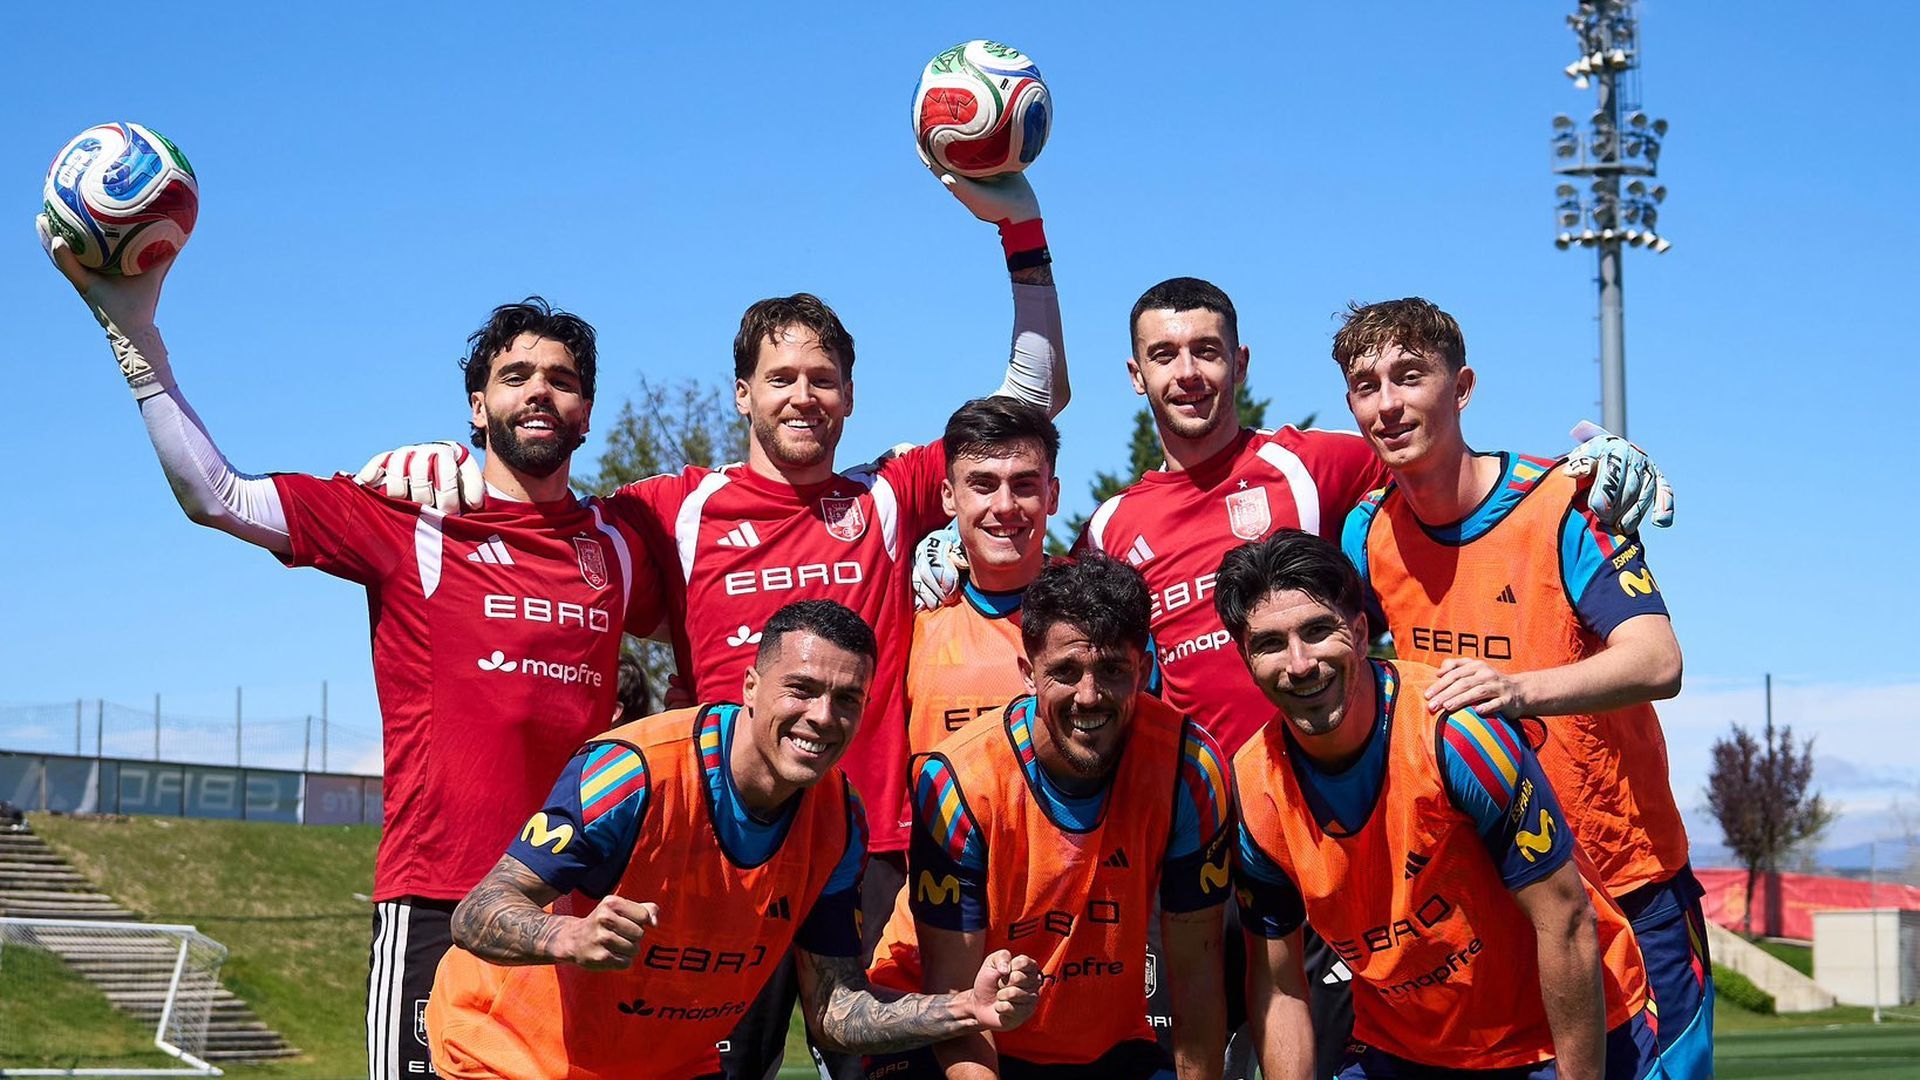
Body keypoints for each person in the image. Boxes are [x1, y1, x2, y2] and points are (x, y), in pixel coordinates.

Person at [359, 167, 1068, 1076]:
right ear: (742, 393)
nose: (803, 396)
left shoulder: (888, 496)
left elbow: (1027, 406)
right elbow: (543, 512)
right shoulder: (671, 512)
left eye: (823, 379)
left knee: (873, 1045)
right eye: (781, 378)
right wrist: (456, 463)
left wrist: (1021, 232)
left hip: (862, 846)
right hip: (716, 859)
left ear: (851, 397)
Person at [917, 276, 1677, 1077]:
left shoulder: (1314, 465)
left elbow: (1435, 451)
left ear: (1240, 362)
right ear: (1136, 375)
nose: (1188, 373)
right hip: (1201, 834)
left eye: (1208, 351)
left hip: (1333, 844)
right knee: (1196, 1049)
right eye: (1165, 355)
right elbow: (1067, 628)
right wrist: (959, 547)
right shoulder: (1111, 524)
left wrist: (1575, 469)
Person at [37, 219, 662, 1080]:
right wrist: (134, 336)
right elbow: (217, 497)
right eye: (515, 376)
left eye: (563, 380)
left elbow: (721, 607)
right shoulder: (410, 517)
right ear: (477, 406)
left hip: (569, 903)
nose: (539, 393)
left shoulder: (619, 544)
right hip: (437, 896)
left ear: (586, 411)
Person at [427, 600, 1041, 1079]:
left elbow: (835, 1010)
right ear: (750, 686)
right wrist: (567, 935)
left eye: (847, 699)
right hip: (510, 1058)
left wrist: (967, 1009)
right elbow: (477, 913)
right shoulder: (634, 770)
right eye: (801, 689)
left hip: (670, 1068)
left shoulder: (839, 820)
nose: (823, 717)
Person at [1333, 298, 1709, 1077]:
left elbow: (1658, 661)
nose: (1388, 403)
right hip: (1503, 900)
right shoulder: (1366, 533)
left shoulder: (1564, 503)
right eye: (1367, 386)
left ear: (1462, 387)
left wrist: (1515, 692)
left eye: (1410, 376)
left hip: (1628, 880)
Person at [1217, 531, 1657, 1079]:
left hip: (1561, 1036)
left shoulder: (1457, 736)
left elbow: (1565, 920)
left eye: (1317, 631)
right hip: (1406, 1049)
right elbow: (1280, 986)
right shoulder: (1251, 787)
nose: (1300, 663)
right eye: (1270, 644)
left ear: (1360, 634)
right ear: (1246, 660)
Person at [865, 556, 1234, 1079]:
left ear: (1144, 671)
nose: (1089, 697)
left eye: (1112, 670)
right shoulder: (958, 780)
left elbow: (1196, 976)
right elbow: (955, 996)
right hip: (935, 1022)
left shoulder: (1190, 768)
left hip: (1100, 1042)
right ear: (1027, 674)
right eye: (1065, 672)